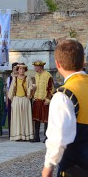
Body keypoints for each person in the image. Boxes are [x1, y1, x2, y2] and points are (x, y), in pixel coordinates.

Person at [42, 40, 88, 177]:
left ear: (57, 64)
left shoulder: (64, 95)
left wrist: (48, 166)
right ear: (83, 61)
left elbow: (59, 138)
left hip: (76, 167)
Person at [8, 63, 34, 141]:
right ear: (18, 70)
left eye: (23, 69)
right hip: (16, 99)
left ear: (25, 70)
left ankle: (26, 135)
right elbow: (11, 90)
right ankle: (17, 135)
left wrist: (31, 88)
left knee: (25, 117)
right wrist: (13, 99)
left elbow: (30, 88)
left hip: (25, 99)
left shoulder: (28, 78)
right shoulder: (14, 78)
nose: (21, 70)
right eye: (20, 69)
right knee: (17, 118)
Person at [31, 60, 54, 143]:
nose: (34, 68)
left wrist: (48, 99)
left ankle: (47, 136)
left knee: (46, 119)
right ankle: (36, 136)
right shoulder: (36, 75)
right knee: (36, 119)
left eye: (36, 66)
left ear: (40, 67)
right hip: (37, 99)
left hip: (44, 100)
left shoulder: (48, 75)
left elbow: (50, 88)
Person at [5, 62, 18, 136]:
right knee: (11, 115)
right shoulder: (9, 78)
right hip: (11, 98)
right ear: (12, 69)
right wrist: (7, 100)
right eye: (14, 68)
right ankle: (11, 132)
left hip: (18, 97)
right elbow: (7, 89)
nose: (16, 70)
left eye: (17, 68)